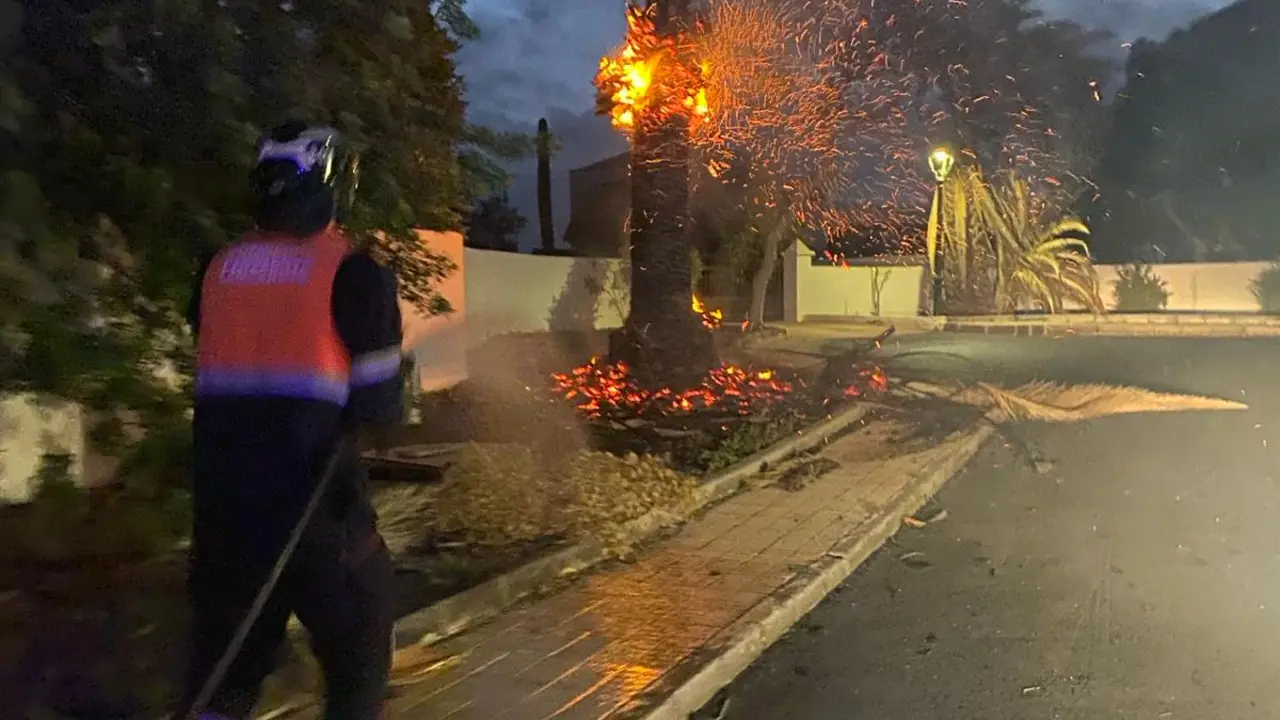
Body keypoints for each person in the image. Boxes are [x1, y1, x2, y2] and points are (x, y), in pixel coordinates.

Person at [177, 122, 404, 720]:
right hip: (317, 512)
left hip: (223, 514)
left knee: (223, 672)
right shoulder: (354, 273)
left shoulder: (217, 268)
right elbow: (379, 407)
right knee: (362, 644)